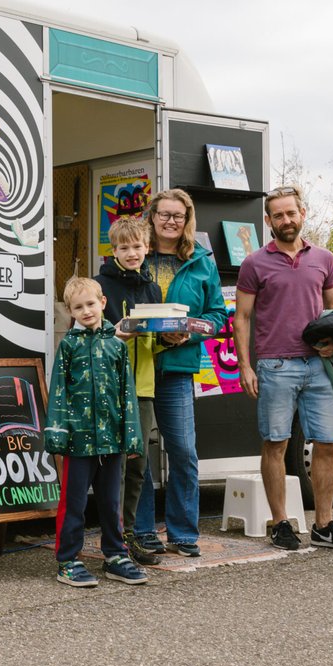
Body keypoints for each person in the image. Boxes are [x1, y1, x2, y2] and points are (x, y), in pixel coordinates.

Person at [233, 185, 333, 553]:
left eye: (291, 213)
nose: (286, 220)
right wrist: (246, 366)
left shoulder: (324, 258)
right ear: (268, 220)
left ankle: (324, 525)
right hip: (275, 366)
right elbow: (241, 318)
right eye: (278, 215)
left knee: (329, 442)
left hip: (318, 366)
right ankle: (280, 523)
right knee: (275, 443)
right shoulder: (254, 263)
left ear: (302, 213)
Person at [43, 276, 150, 587]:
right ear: (70, 311)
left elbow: (127, 393)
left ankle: (116, 556)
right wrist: (57, 435)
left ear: (103, 303)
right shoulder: (68, 346)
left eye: (91, 304)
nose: (86, 310)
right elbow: (59, 391)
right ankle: (68, 560)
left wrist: (131, 437)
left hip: (112, 440)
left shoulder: (117, 345)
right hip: (78, 442)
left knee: (110, 501)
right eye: (79, 307)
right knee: (74, 502)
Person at [140, 188, 227, 558]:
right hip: (137, 365)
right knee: (137, 453)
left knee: (184, 452)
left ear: (187, 220)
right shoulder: (136, 255)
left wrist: (189, 330)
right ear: (152, 216)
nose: (171, 221)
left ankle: (182, 533)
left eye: (178, 215)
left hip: (178, 367)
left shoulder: (201, 260)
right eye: (165, 214)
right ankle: (141, 530)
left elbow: (219, 316)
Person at [94, 215, 162, 566]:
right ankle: (112, 539)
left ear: (147, 247)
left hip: (144, 387)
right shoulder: (99, 286)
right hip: (110, 387)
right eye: (124, 247)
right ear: (114, 250)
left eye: (137, 246)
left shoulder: (153, 289)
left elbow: (155, 343)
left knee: (138, 465)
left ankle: (129, 533)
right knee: (114, 466)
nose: (132, 253)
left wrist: (169, 337)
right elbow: (88, 334)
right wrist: (116, 335)